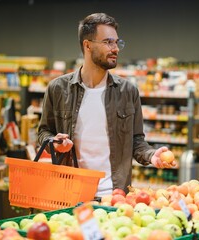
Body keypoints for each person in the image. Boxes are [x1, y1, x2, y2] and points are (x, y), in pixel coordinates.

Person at [37, 12, 177, 196]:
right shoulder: (58, 88)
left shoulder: (127, 91)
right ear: (87, 45)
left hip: (115, 195)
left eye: (117, 42)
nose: (116, 48)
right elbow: (43, 133)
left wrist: (152, 155)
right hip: (71, 193)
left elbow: (136, 141)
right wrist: (54, 143)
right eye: (108, 42)